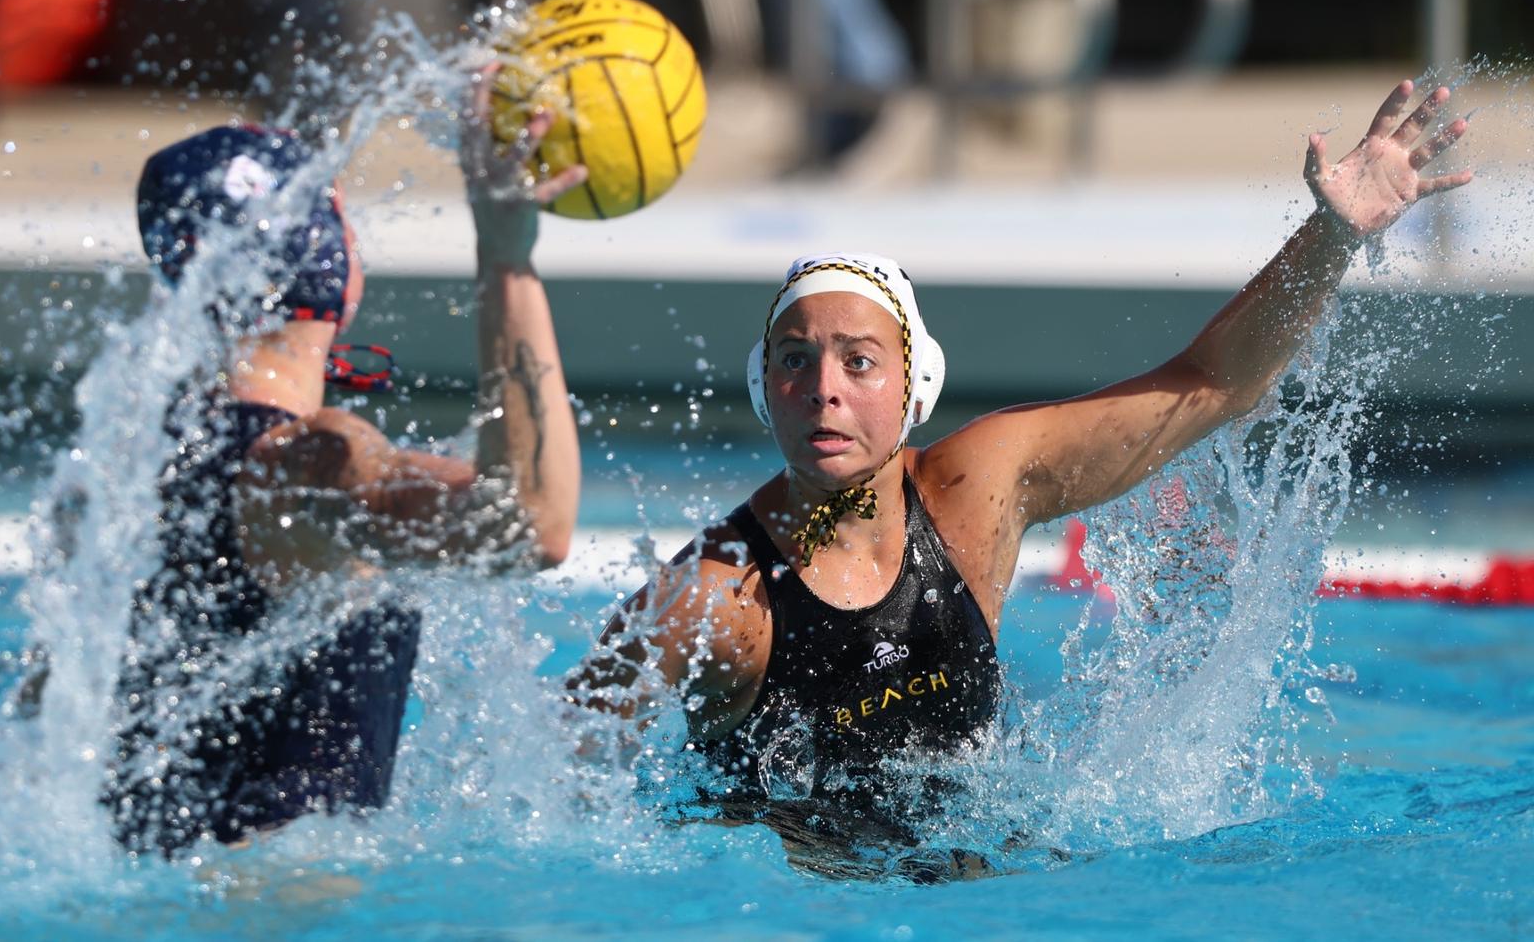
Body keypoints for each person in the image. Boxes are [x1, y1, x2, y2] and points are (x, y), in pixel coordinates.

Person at [570, 82, 1473, 876]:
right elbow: (557, 778)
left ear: (917, 385)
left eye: (858, 361)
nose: (824, 390)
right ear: (763, 390)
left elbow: (1209, 385)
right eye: (795, 361)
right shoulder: (715, 601)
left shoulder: (978, 490)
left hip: (979, 868)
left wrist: (1331, 235)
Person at [101, 71, 588, 856]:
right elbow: (531, 523)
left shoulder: (125, 470)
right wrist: (507, 255)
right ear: (330, 261)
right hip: (270, 909)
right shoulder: (309, 464)